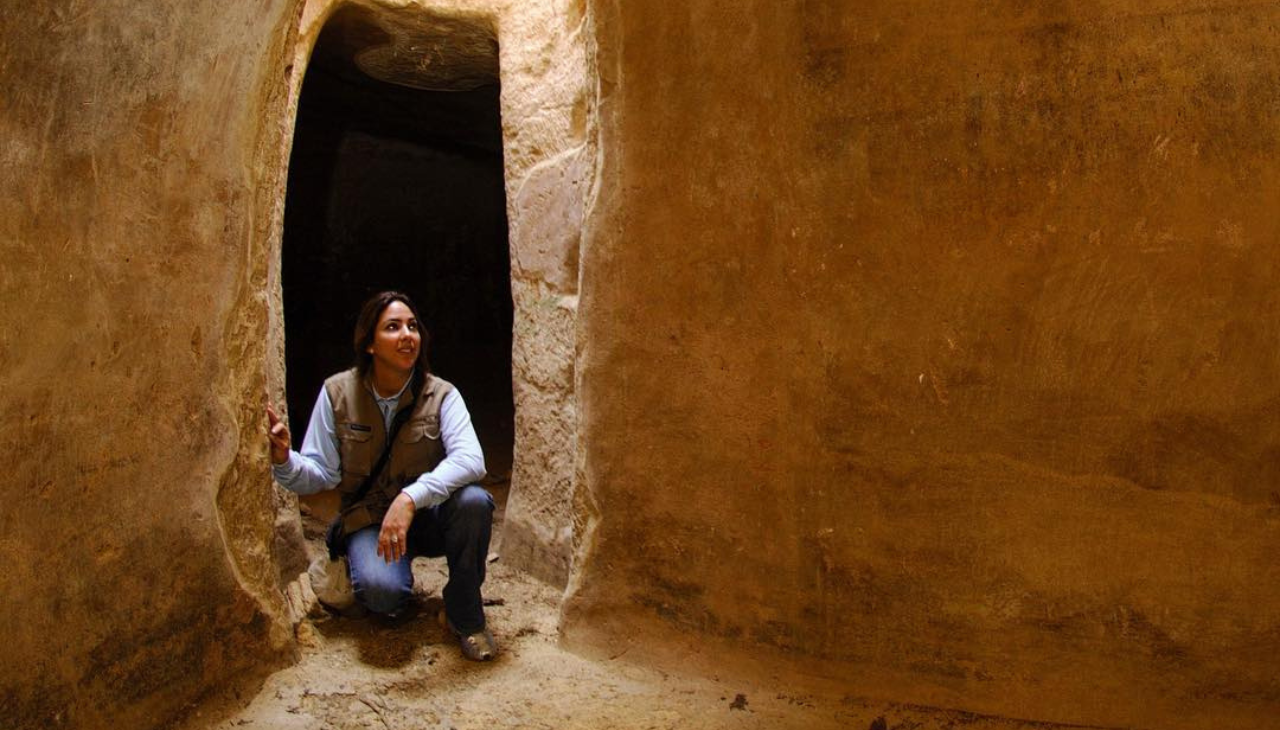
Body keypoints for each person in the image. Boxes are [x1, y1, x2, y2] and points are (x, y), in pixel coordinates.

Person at [267, 290, 497, 661]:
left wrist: (410, 499)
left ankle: (465, 616)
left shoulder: (441, 394)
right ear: (370, 344)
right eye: (393, 327)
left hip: (428, 515)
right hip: (372, 521)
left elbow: (472, 459)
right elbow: (320, 474)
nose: (407, 335)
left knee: (474, 503)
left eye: (412, 326)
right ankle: (382, 580)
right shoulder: (338, 393)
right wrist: (284, 461)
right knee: (384, 597)